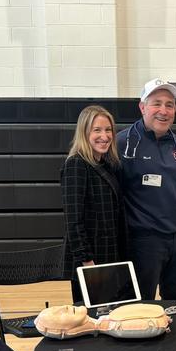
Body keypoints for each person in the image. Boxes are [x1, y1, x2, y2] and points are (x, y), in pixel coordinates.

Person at [117, 78, 176, 301]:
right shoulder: (121, 144)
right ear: (142, 107)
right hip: (143, 243)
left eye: (169, 105)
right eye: (156, 103)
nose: (163, 111)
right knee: (138, 306)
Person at [61, 104, 127, 303]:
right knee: (92, 322)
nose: (104, 136)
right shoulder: (76, 164)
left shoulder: (107, 165)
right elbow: (73, 220)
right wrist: (87, 261)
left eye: (108, 130)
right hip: (90, 261)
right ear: (84, 132)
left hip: (110, 257)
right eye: (97, 130)